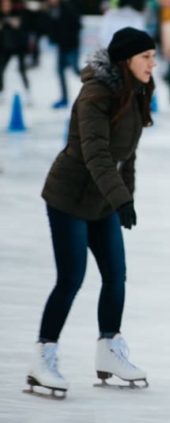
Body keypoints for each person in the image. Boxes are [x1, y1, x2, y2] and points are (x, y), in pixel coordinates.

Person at [28, 27, 156, 398]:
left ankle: (109, 350)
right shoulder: (95, 94)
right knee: (71, 278)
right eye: (146, 57)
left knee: (116, 275)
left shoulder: (136, 91)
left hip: (101, 199)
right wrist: (121, 199)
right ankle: (43, 357)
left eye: (153, 57)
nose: (153, 64)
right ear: (126, 60)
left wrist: (125, 197)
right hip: (69, 195)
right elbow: (96, 153)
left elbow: (126, 154)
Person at [43, 0, 82, 110]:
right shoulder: (51, 9)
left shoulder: (68, 6)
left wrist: (68, 36)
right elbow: (50, 26)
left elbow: (76, 24)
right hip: (62, 46)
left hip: (72, 45)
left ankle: (96, 88)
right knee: (60, 72)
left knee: (76, 70)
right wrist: (53, 38)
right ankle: (64, 98)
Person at [0, 0, 31, 106]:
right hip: (5, 48)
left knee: (22, 70)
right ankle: (1, 93)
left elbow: (25, 29)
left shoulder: (18, 14)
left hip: (19, 47)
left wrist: (17, 25)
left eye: (8, 4)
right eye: (4, 5)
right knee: (0, 69)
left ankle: (28, 93)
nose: (6, 7)